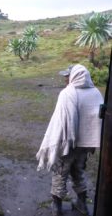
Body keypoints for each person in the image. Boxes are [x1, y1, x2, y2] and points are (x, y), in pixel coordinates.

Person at [36, 64, 103, 216]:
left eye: (68, 75)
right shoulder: (95, 93)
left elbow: (59, 124)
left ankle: (56, 208)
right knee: (79, 172)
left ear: (76, 76)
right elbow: (97, 120)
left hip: (67, 144)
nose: (66, 78)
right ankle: (83, 205)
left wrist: (56, 143)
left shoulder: (68, 94)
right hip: (85, 145)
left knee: (60, 174)